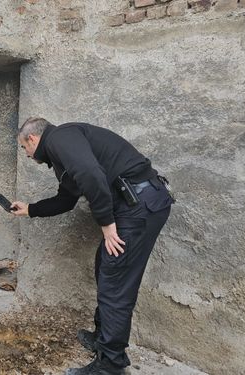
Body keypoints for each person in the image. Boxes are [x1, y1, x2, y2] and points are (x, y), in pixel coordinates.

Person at [10, 118, 174, 375]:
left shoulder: (59, 138)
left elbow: (91, 174)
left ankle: (110, 365)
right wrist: (31, 210)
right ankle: (103, 339)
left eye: (23, 148)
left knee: (116, 282)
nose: (27, 155)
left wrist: (107, 225)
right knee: (105, 266)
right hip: (135, 204)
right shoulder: (61, 150)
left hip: (139, 205)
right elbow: (66, 200)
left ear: (32, 139)